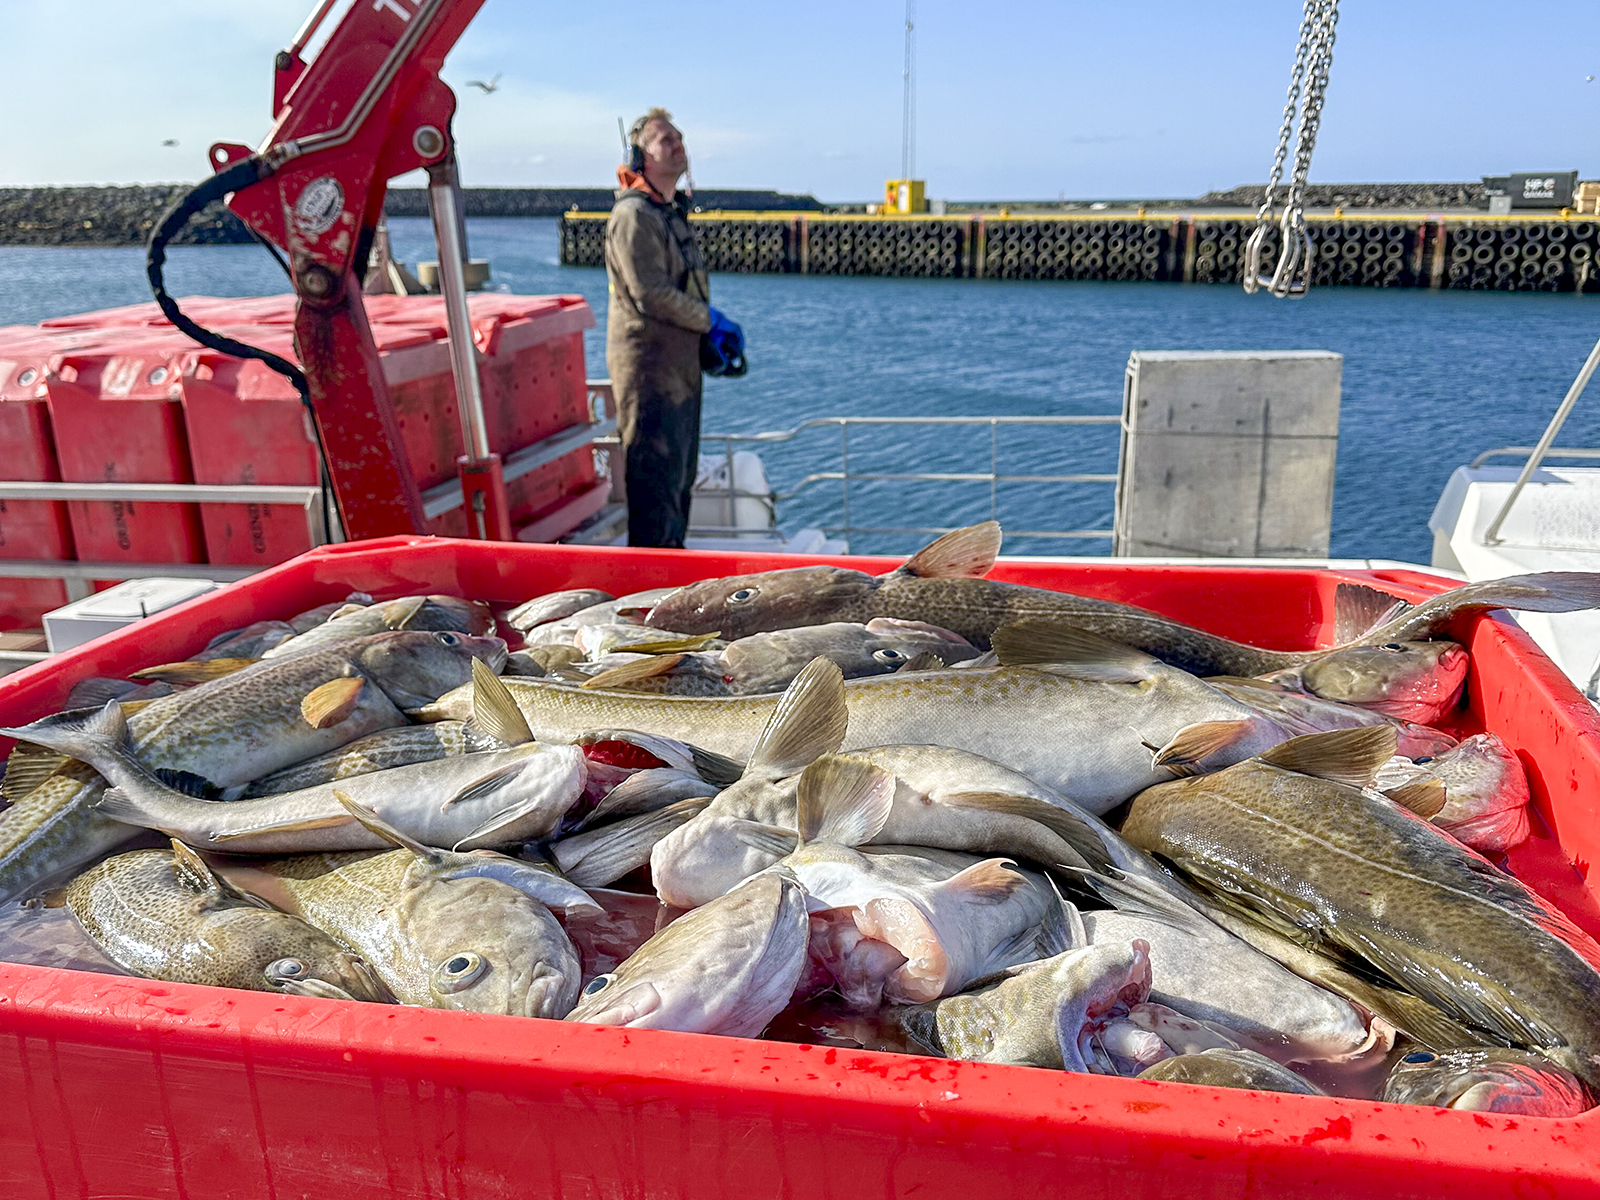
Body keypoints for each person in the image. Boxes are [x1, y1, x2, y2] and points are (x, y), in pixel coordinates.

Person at [605, 108, 743, 548]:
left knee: (678, 488)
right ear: (639, 156)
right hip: (650, 378)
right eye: (665, 139)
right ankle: (645, 596)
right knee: (655, 493)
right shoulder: (634, 217)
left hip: (678, 374)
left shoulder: (667, 213)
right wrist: (710, 319)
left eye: (679, 136)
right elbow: (649, 292)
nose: (678, 144)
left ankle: (669, 583)